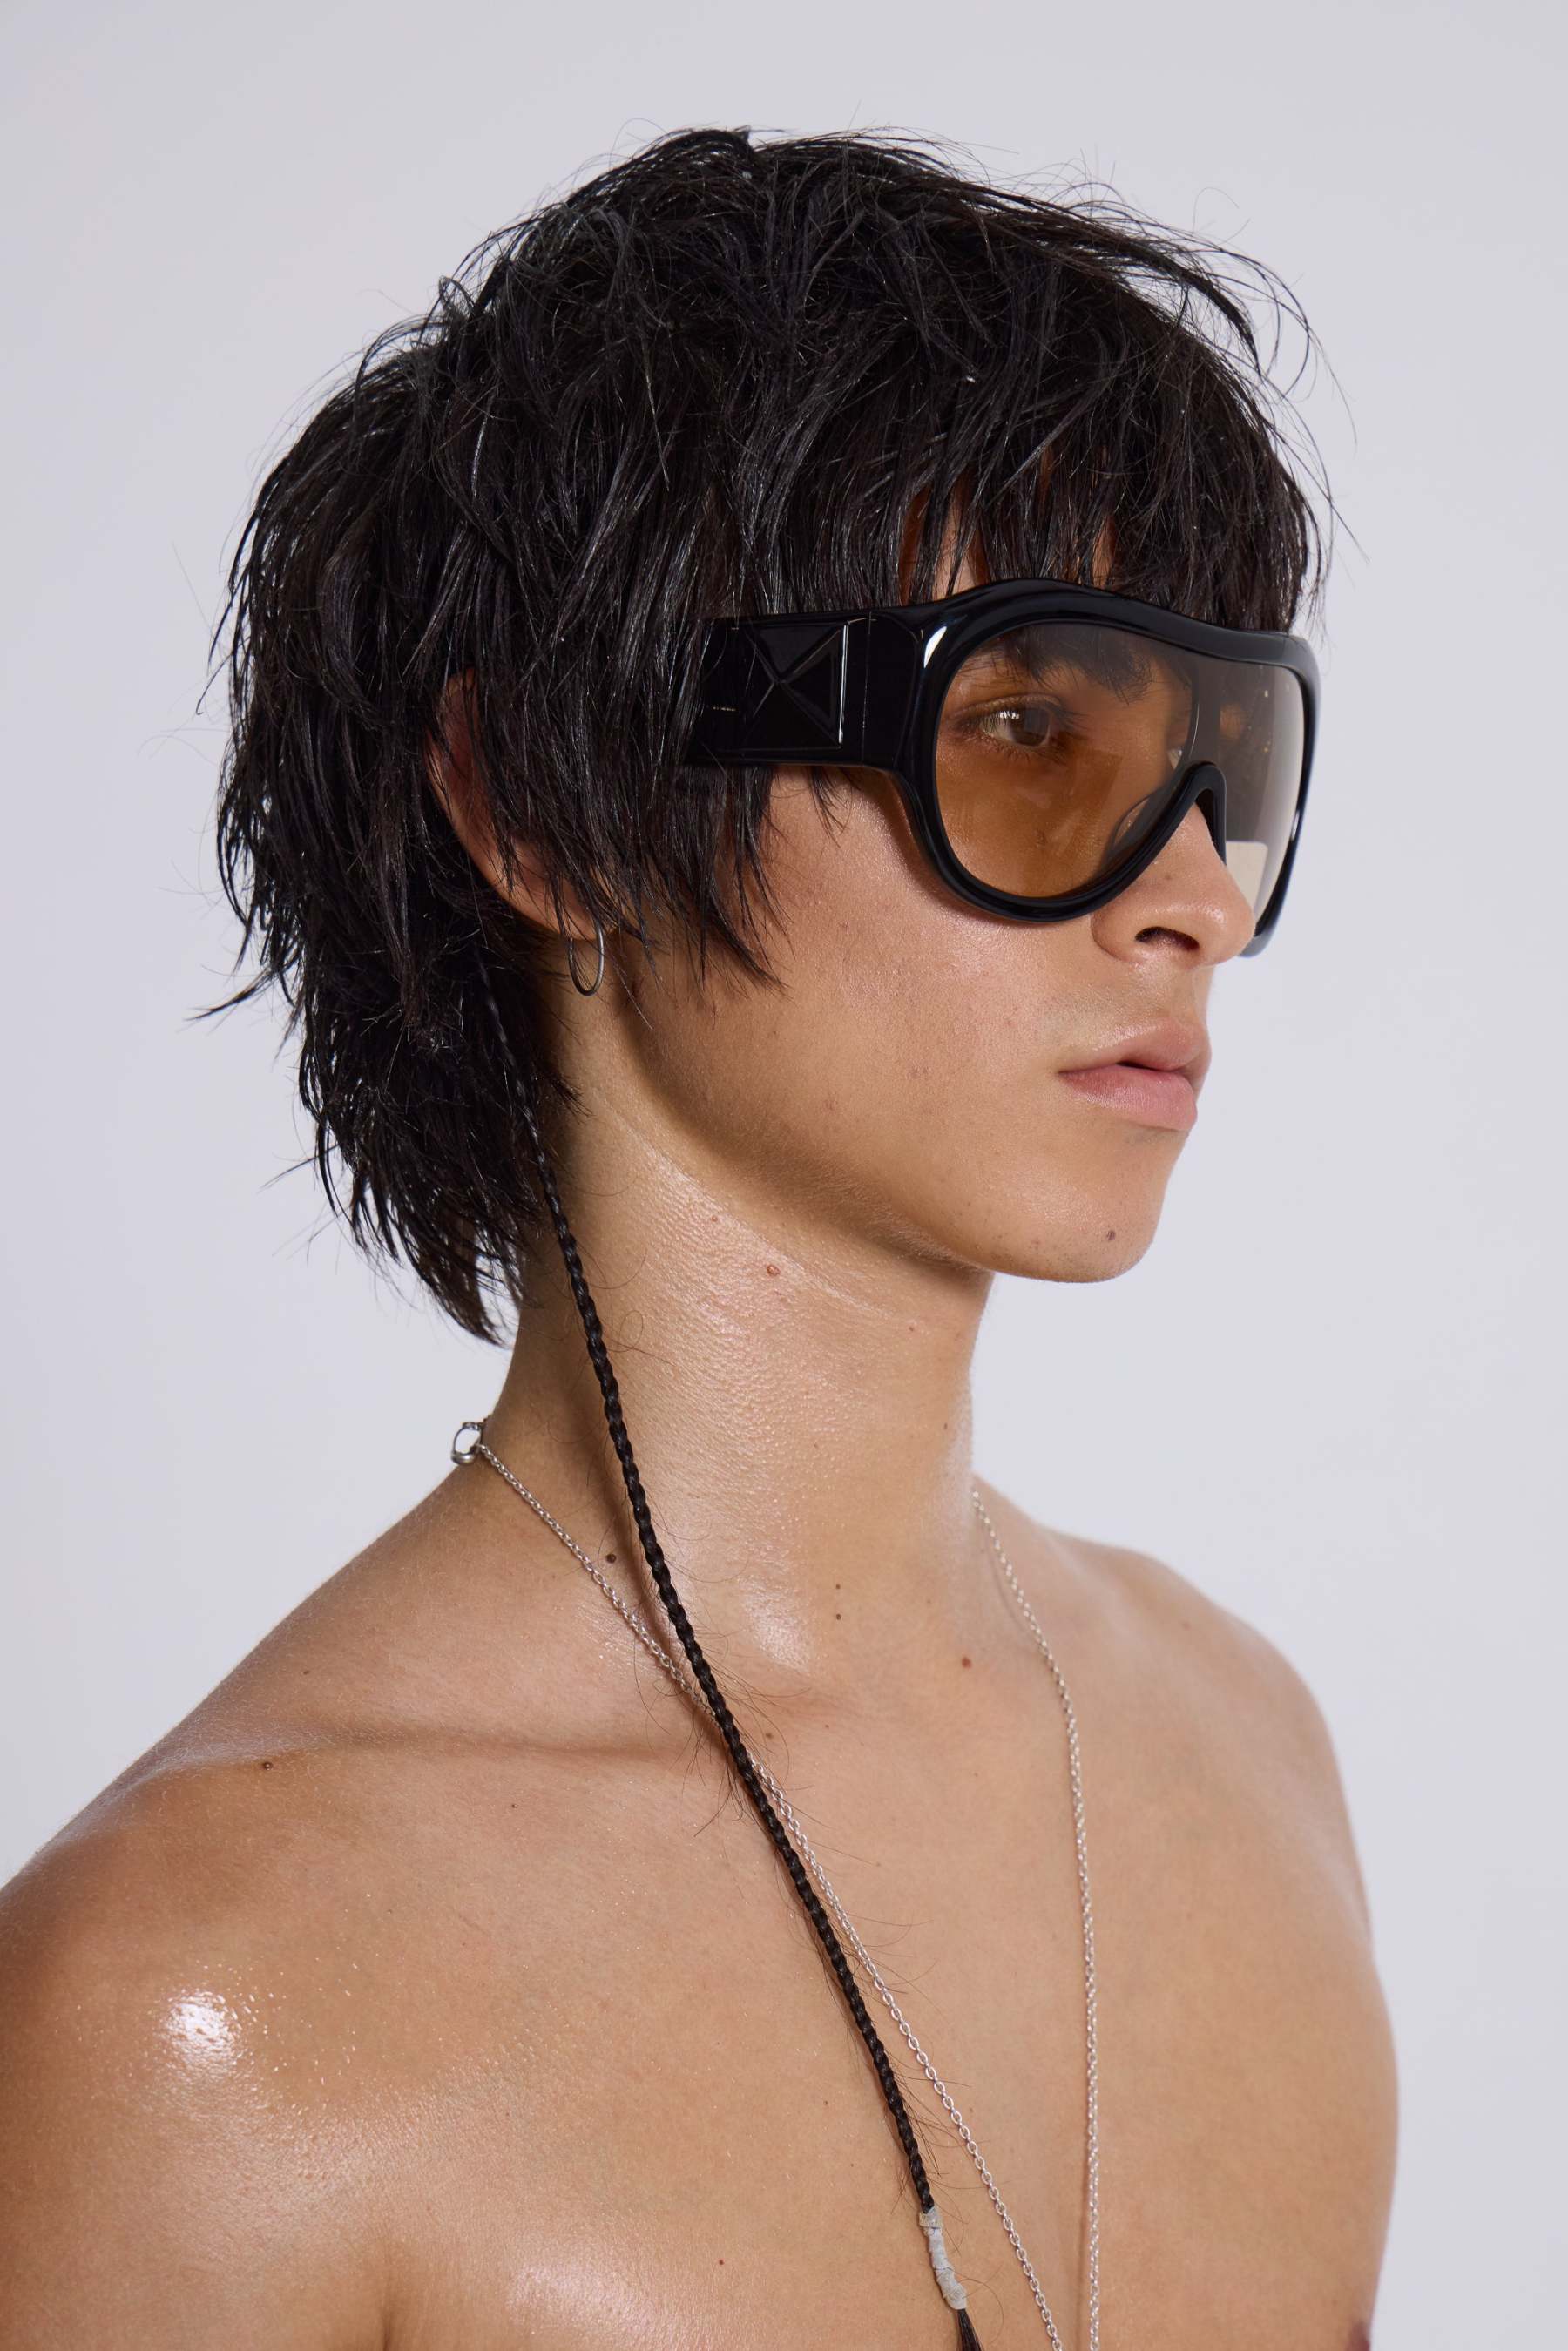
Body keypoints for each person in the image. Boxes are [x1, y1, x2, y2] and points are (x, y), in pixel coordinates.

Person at [0, 126, 1396, 2348]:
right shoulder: (199, 2019)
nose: (1196, 894)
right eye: (1028, 728)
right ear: (545, 806)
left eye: (1233, 757)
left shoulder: (1246, 1754)